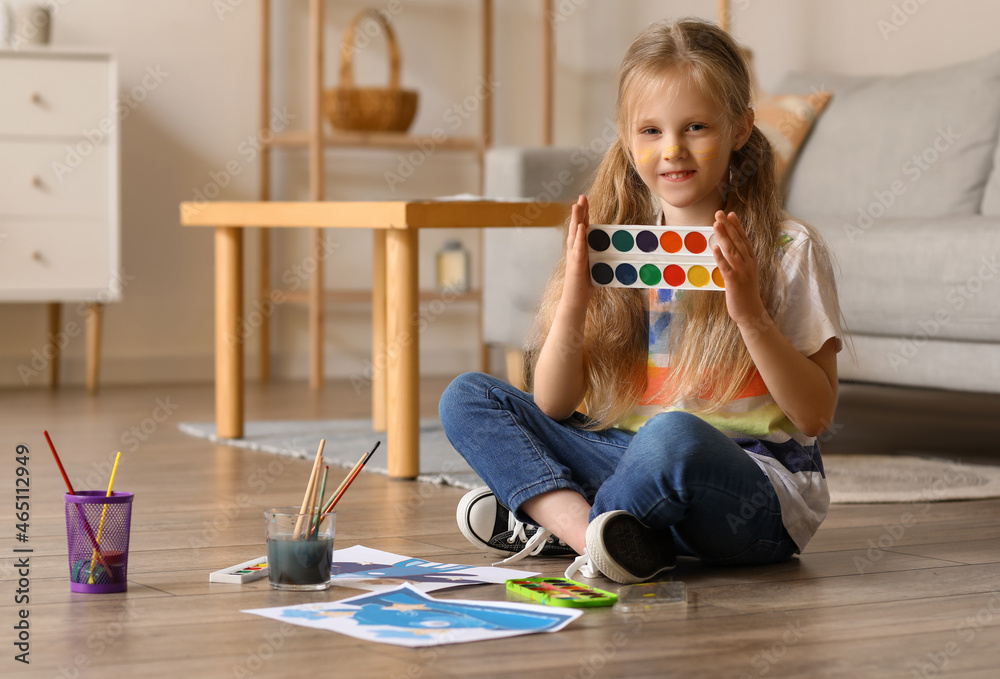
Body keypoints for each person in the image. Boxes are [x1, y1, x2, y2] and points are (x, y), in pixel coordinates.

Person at [439, 17, 844, 584]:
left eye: (696, 126)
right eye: (650, 131)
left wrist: (750, 315)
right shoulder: (618, 244)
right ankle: (601, 537)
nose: (672, 149)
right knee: (468, 397)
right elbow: (555, 404)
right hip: (629, 462)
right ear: (627, 139)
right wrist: (575, 302)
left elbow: (815, 414)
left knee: (672, 434)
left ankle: (559, 518)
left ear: (741, 128)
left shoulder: (786, 248)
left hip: (748, 494)